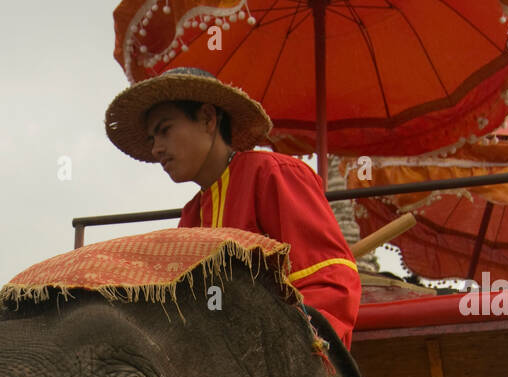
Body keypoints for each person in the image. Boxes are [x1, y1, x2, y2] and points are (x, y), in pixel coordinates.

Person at [105, 67, 361, 346]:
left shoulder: (273, 174)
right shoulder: (191, 215)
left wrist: (286, 342)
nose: (156, 149)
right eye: (152, 139)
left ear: (207, 119)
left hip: (278, 359)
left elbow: (329, 281)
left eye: (164, 130)